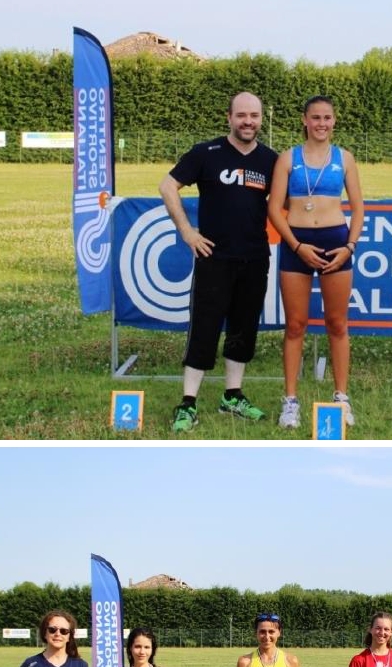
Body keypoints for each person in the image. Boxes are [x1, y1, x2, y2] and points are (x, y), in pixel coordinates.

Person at [159, 91, 278, 432]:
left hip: (255, 258)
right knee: (204, 330)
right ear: (228, 117)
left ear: (260, 119)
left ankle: (233, 396)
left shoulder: (271, 160)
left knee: (243, 330)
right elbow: (168, 186)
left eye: (254, 116)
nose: (248, 122)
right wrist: (187, 231)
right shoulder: (205, 153)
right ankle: (188, 403)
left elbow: (290, 201)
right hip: (214, 257)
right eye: (241, 115)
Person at [268, 95, 366, 429]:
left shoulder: (345, 159)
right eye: (315, 118)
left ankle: (341, 397)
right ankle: (290, 402)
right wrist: (296, 246)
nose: (321, 123)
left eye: (327, 118)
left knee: (337, 324)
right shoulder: (287, 158)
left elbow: (358, 209)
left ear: (334, 121)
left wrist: (349, 247)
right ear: (305, 120)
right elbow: (273, 209)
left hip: (335, 243)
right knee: (295, 325)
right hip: (296, 244)